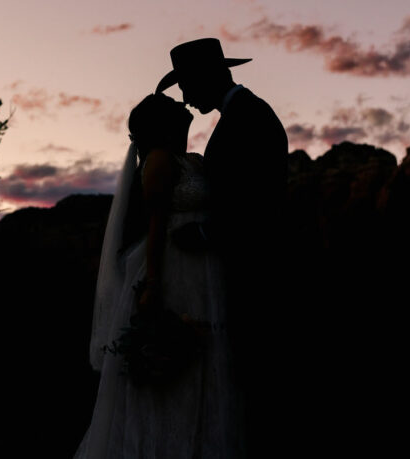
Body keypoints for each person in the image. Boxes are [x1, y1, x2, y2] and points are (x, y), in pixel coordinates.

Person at [75, 93, 243, 459]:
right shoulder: (159, 161)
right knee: (173, 357)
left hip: (203, 270)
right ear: (165, 128)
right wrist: (153, 283)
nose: (187, 123)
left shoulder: (190, 161)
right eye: (180, 121)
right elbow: (155, 225)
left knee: (199, 357)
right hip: (173, 267)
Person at [155, 38, 288, 457]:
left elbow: (259, 200)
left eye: (187, 87)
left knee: (256, 382)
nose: (185, 99)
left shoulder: (250, 117)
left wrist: (208, 236)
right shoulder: (241, 114)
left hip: (255, 273)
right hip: (239, 271)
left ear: (207, 78)